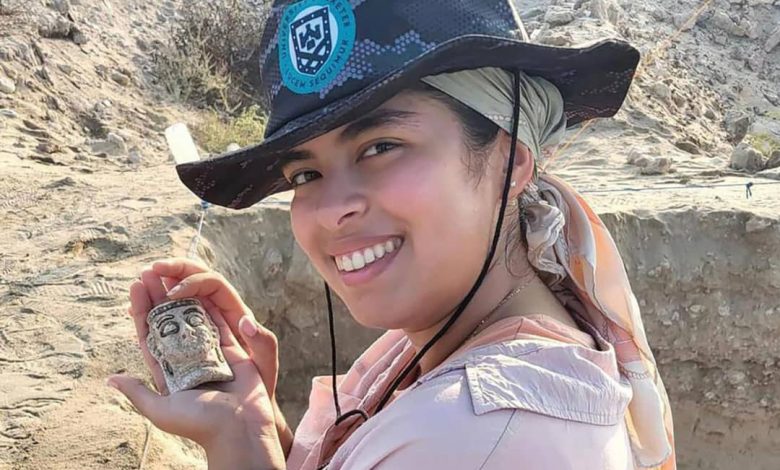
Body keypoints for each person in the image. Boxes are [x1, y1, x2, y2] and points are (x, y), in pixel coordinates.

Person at [107, 1, 677, 469]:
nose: (333, 210)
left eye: (380, 147)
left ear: (510, 161)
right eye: (304, 174)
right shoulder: (461, 344)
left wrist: (236, 446)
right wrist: (253, 426)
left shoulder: (470, 432)